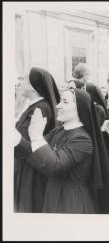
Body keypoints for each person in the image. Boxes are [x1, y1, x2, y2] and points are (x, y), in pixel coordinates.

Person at [14, 88, 109, 213]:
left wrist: (37, 136)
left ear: (80, 108)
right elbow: (34, 153)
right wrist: (15, 139)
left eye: (65, 102)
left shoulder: (83, 139)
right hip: (52, 195)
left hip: (71, 202)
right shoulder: (58, 131)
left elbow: (54, 166)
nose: (58, 106)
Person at [14, 67, 60, 212]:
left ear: (34, 88)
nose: (21, 82)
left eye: (25, 80)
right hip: (25, 165)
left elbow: (24, 141)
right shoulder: (35, 105)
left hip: (30, 171)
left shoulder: (40, 108)